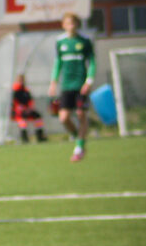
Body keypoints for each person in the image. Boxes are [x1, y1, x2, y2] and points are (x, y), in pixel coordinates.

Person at [48, 12, 96, 162]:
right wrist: (53, 81)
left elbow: (92, 62)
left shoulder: (85, 41)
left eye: (74, 23)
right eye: (68, 23)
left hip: (81, 85)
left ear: (78, 24)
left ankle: (79, 148)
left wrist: (89, 81)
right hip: (67, 85)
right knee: (63, 118)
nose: (71, 26)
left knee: (81, 114)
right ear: (63, 25)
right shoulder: (60, 42)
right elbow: (58, 63)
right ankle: (79, 140)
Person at [10, 75, 47, 143]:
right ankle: (24, 137)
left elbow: (30, 101)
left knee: (37, 116)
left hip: (27, 110)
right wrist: (22, 109)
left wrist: (29, 108)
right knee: (22, 118)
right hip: (18, 112)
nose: (21, 82)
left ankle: (40, 136)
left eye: (22, 80)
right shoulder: (15, 91)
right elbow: (14, 103)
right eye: (20, 80)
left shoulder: (26, 90)